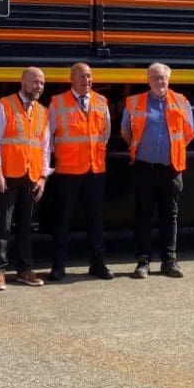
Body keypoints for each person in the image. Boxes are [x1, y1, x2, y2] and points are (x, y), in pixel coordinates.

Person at [120, 62, 194, 280]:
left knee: (169, 215)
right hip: (144, 168)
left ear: (168, 80)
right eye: (155, 77)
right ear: (148, 80)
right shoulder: (134, 102)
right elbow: (125, 130)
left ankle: (169, 262)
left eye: (163, 77)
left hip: (171, 168)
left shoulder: (181, 101)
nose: (159, 81)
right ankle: (142, 262)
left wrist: (172, 151)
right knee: (143, 214)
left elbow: (188, 133)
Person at [0, 66, 51, 290]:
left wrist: (43, 177)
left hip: (30, 175)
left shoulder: (42, 111)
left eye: (41, 83)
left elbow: (44, 146)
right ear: (23, 82)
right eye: (34, 82)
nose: (38, 86)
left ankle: (24, 270)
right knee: (2, 225)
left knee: (25, 226)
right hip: (8, 175)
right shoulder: (5, 105)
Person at [47, 62, 113, 281]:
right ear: (72, 79)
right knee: (63, 219)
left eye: (90, 76)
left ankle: (98, 263)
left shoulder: (101, 101)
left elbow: (105, 134)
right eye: (82, 77)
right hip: (68, 171)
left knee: (96, 220)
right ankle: (58, 266)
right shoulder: (57, 103)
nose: (87, 81)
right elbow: (49, 139)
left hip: (95, 170)